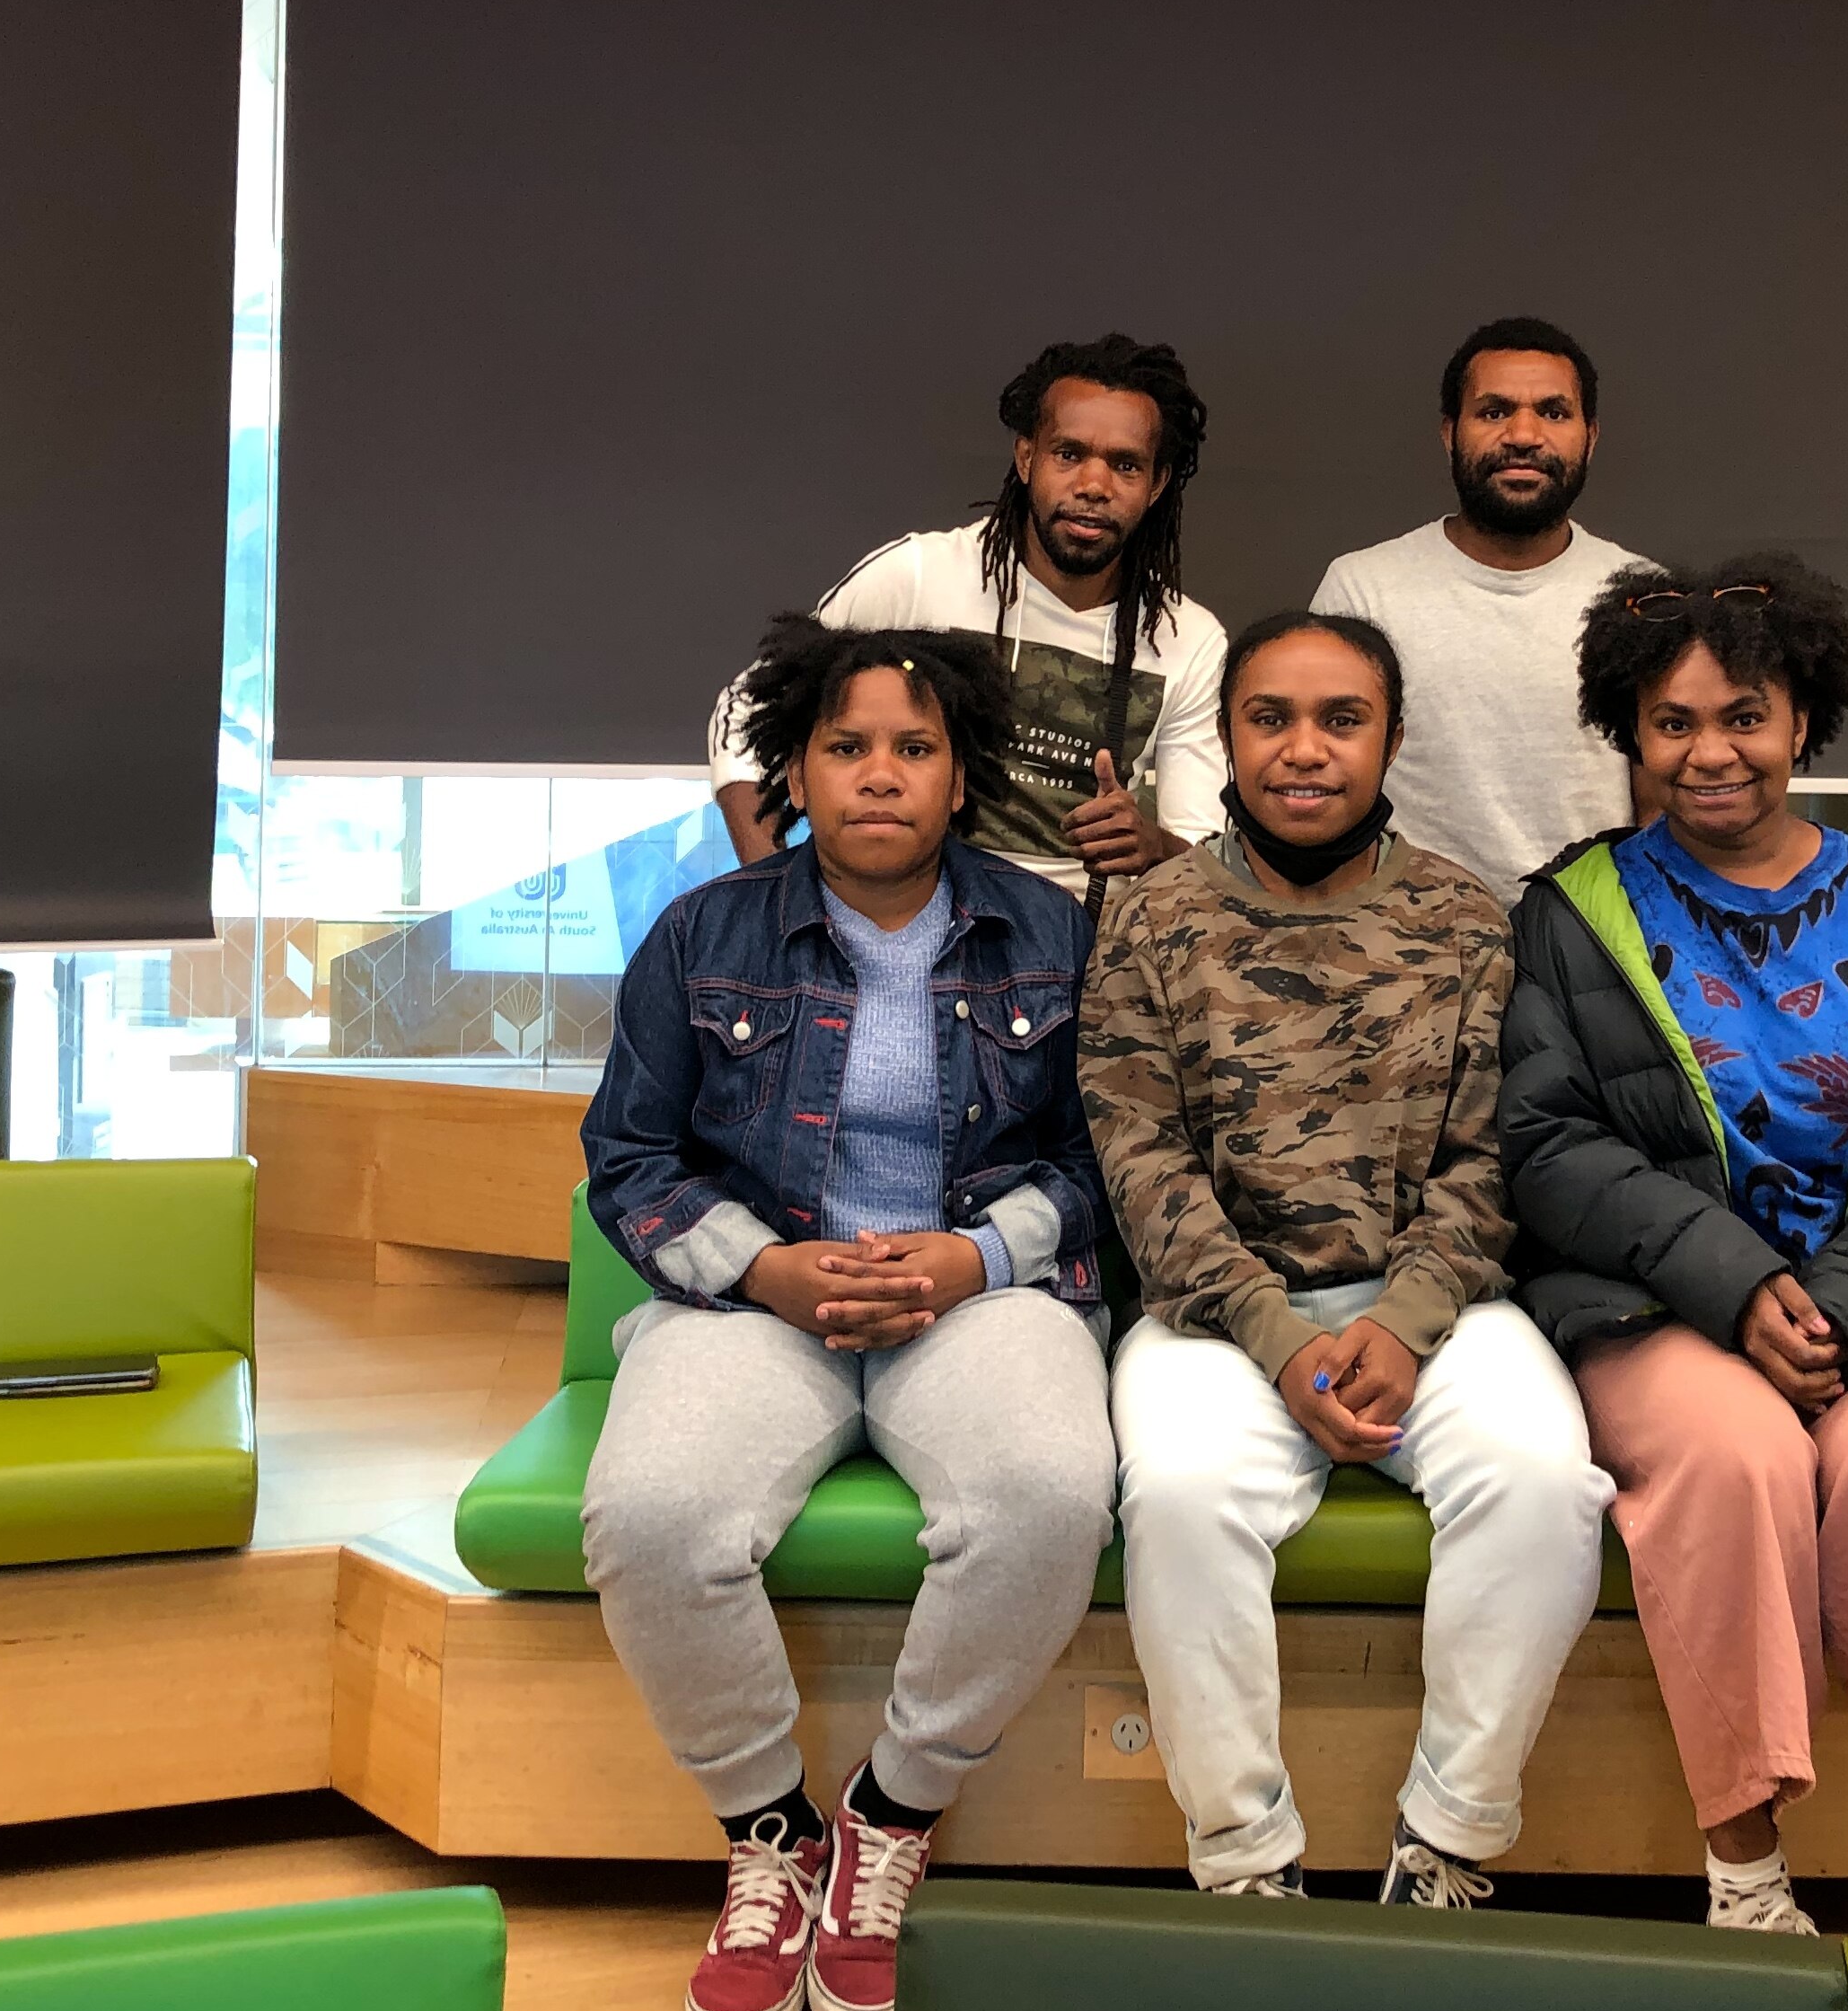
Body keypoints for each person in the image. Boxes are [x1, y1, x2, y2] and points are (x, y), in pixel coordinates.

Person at [1497, 555, 1848, 1945]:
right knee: (1738, 1463)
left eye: (1742, 715)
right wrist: (1737, 1285)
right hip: (1654, 1305)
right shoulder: (1574, 915)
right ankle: (1744, 1872)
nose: (1708, 753)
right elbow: (1548, 1151)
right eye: (1672, 723)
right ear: (1631, 733)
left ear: (1804, 719)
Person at [582, 619, 1115, 2011]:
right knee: (649, 1510)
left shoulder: (1053, 931)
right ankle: (770, 1832)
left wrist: (972, 1253)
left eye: (915, 749)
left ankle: (888, 1817)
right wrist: (770, 1274)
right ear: (796, 772)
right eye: (847, 746)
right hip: (756, 1299)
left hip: (981, 1296)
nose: (880, 774)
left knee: (1055, 1496)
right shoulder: (704, 933)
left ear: (961, 777)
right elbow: (627, 1161)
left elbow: (1102, 1160)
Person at [1083, 612, 1613, 1906]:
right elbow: (1144, 1164)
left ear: (1390, 739)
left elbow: (1494, 1160)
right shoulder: (1151, 920)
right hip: (1218, 1321)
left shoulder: (1465, 921)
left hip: (1437, 1310)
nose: (1304, 751)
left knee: (1548, 1485)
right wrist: (1283, 1340)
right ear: (1226, 737)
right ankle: (1246, 1859)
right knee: (1182, 1500)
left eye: (1341, 720)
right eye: (1270, 719)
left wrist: (1403, 1323)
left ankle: (1448, 1840)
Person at [708, 335, 1229, 902]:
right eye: (1069, 454)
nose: (1094, 486)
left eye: (1125, 465)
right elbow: (743, 714)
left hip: (1083, 962)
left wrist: (1154, 846)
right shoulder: (920, 575)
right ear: (1026, 456)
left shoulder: (1191, 641)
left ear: (1156, 485)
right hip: (909, 937)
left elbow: (1206, 857)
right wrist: (771, 891)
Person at [1312, 316, 1654, 894]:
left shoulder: (1642, 597)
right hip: (1405, 943)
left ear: (1591, 436)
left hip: (1593, 939)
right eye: (1494, 411)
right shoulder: (1362, 590)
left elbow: (1663, 803)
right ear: (1450, 432)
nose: (1523, 434)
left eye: (1553, 411)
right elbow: (1323, 787)